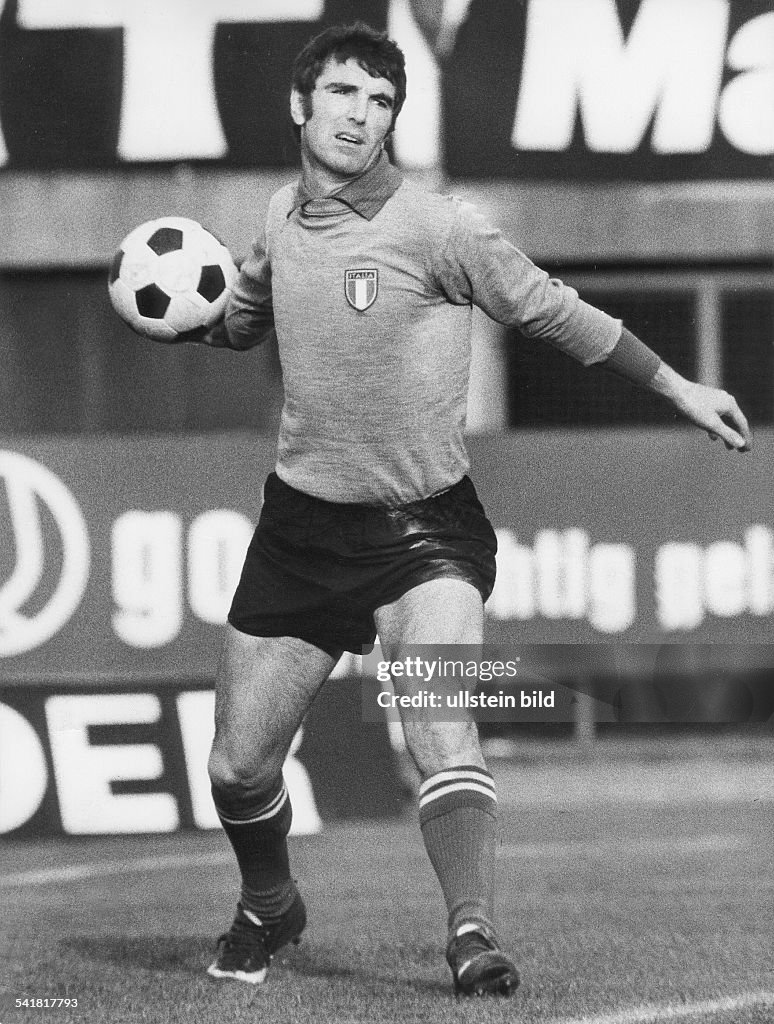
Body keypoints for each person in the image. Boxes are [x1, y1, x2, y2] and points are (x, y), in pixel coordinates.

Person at [198, 22, 751, 999]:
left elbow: (549, 306)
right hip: (301, 529)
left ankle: (472, 932)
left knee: (437, 720)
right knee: (240, 769)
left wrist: (676, 386)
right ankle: (270, 902)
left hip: (425, 529)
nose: (360, 115)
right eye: (343, 93)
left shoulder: (440, 227)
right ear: (300, 105)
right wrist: (191, 316)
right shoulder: (281, 219)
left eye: (380, 101)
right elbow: (242, 317)